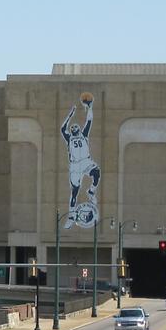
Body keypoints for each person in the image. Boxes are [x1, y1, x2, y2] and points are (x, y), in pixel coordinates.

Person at [60, 92, 101, 228]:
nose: (74, 127)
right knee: (74, 191)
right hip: (75, 165)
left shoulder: (84, 135)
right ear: (71, 131)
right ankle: (71, 217)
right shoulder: (69, 138)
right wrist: (70, 115)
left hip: (85, 161)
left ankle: (91, 191)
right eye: (73, 127)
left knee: (96, 173)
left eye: (76, 126)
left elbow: (89, 121)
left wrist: (89, 107)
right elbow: (62, 128)